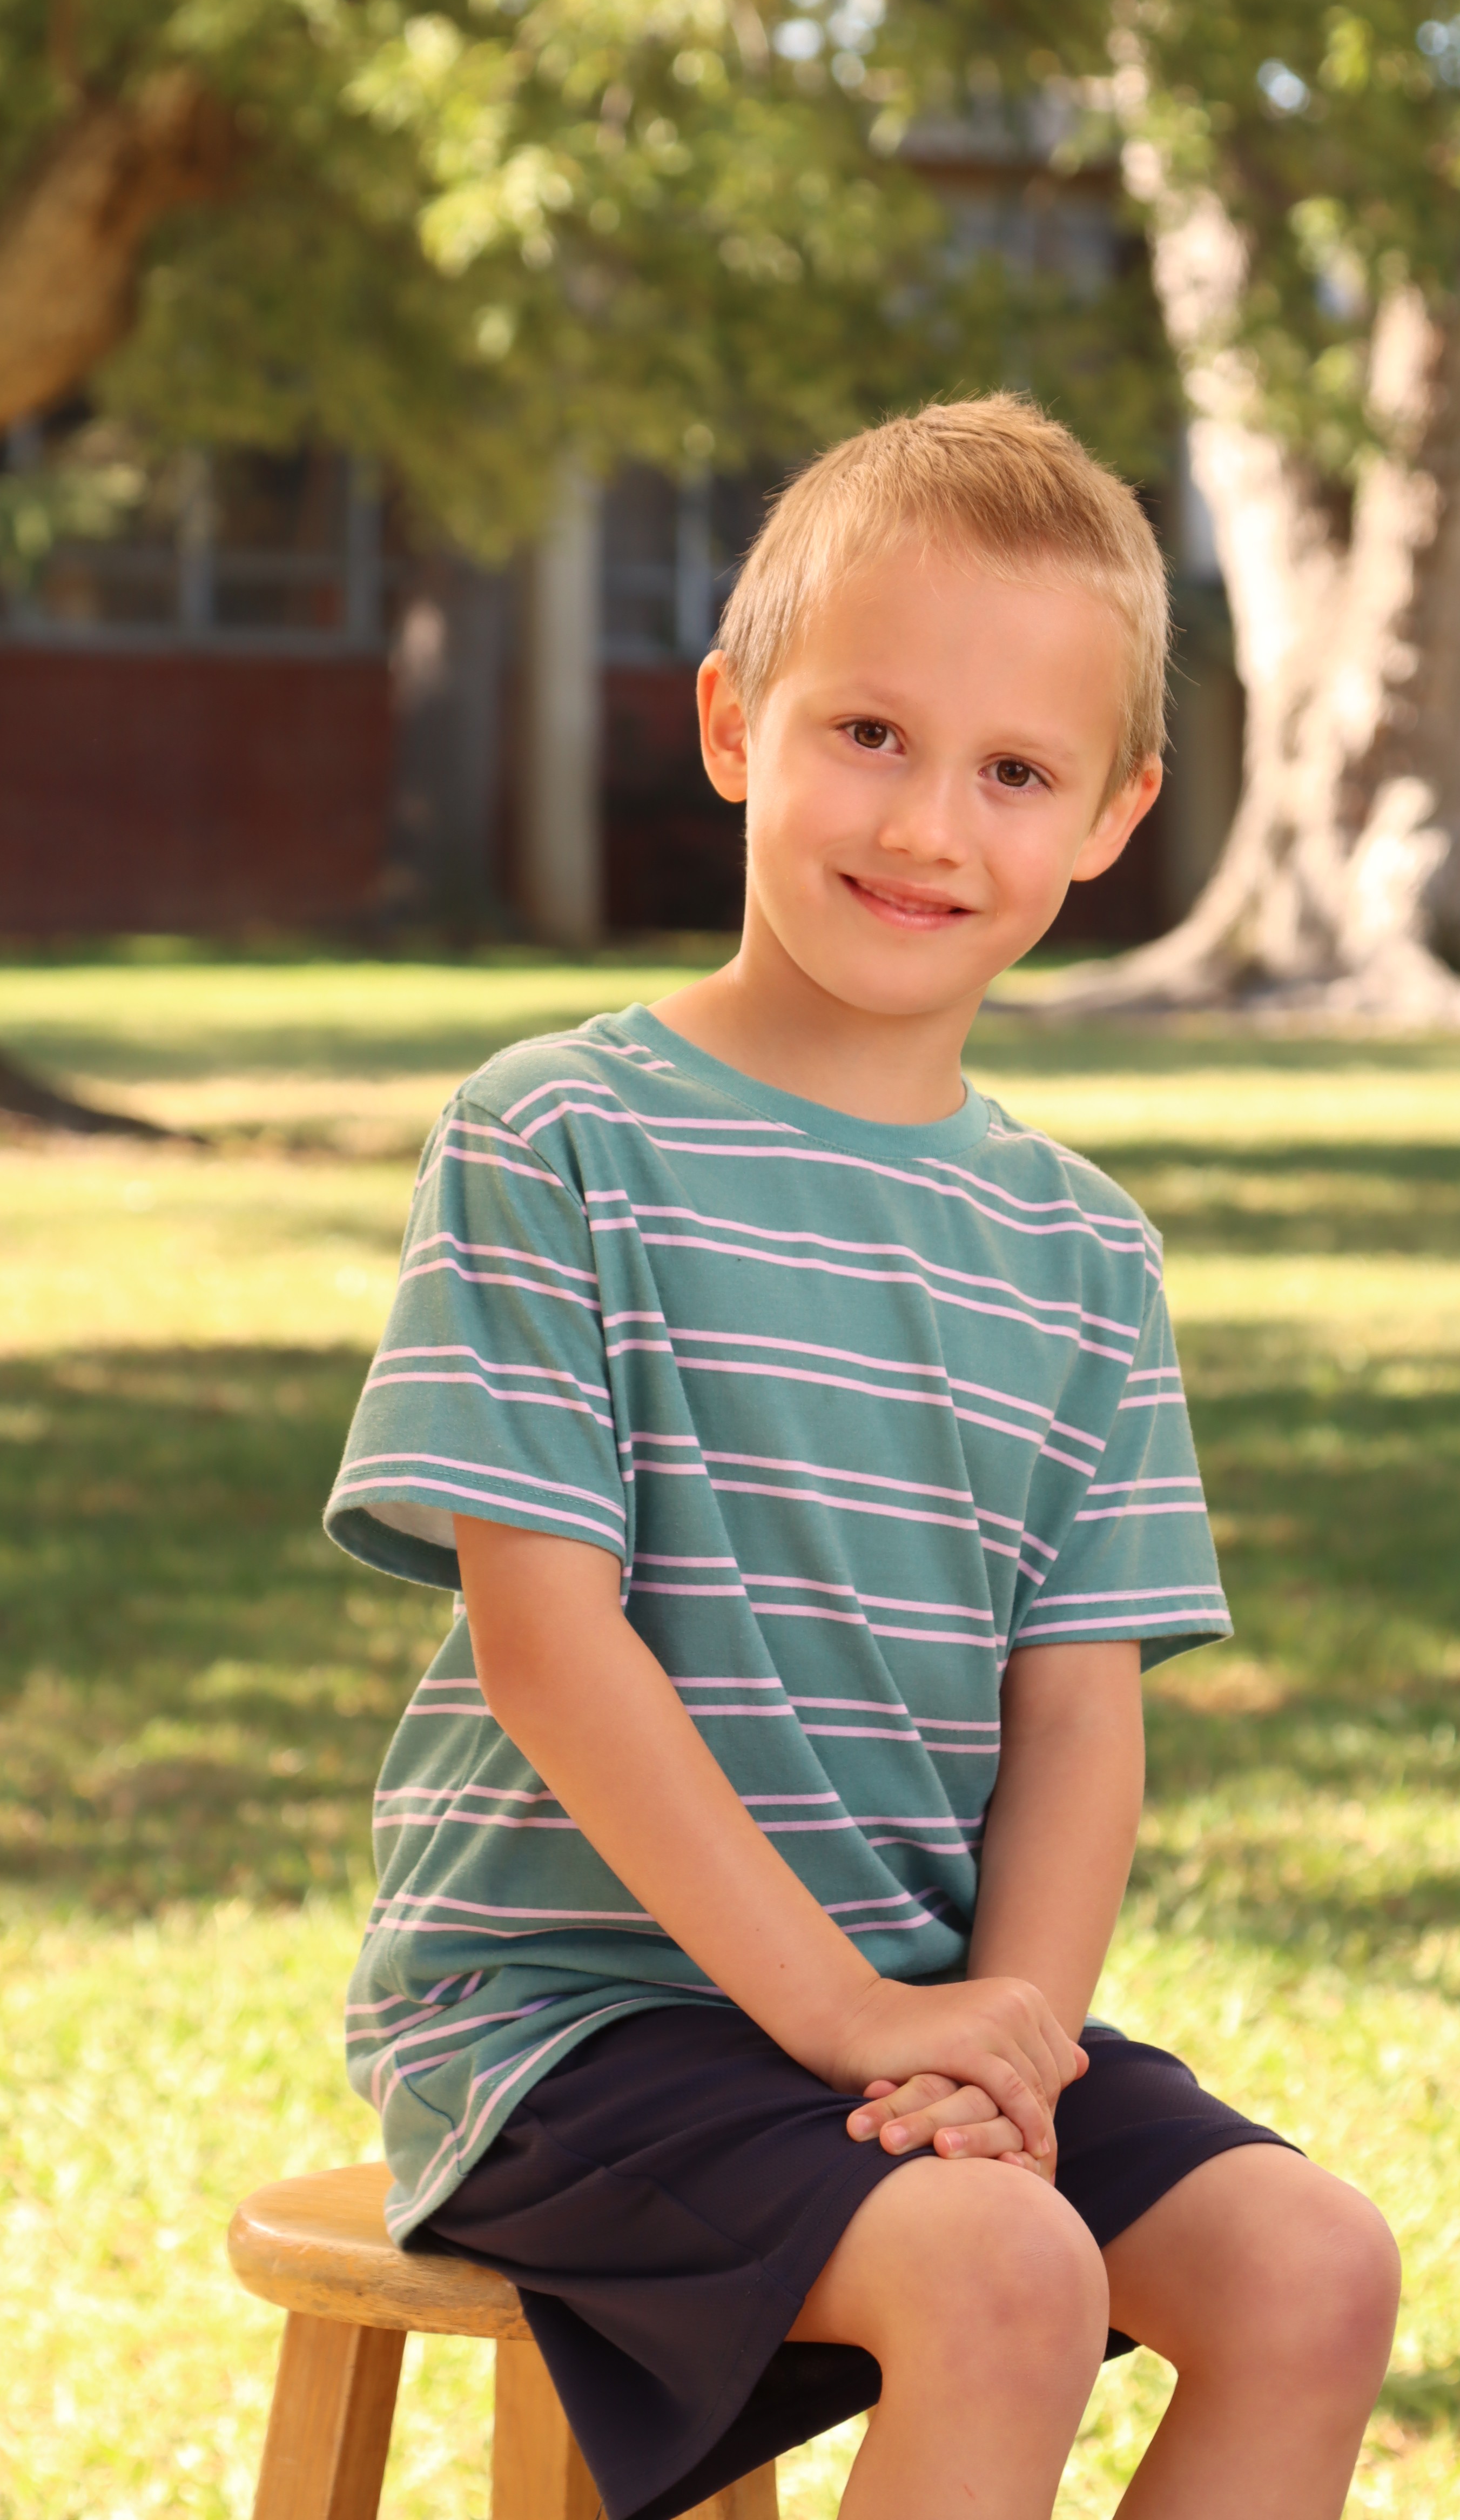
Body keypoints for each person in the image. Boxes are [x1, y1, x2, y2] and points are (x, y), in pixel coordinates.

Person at [325, 394, 1399, 2520]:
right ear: (736, 723)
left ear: (1114, 817)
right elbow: (548, 1648)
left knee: (1311, 2267)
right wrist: (835, 2016)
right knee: (1007, 2275)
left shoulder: (1082, 1253)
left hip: (909, 2007)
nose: (927, 825)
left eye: (1014, 773)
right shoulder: (559, 1140)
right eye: (871, 735)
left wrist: (1013, 2036)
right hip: (571, 2023)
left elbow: (1077, 1714)